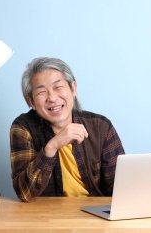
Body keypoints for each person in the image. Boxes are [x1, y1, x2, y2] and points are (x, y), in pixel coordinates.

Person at [10, 57, 125, 202]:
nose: (52, 98)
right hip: (48, 218)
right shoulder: (23, 128)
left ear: (73, 88)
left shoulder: (101, 127)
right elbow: (24, 193)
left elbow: (120, 188)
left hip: (95, 216)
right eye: (41, 92)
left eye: (58, 87)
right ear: (30, 101)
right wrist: (51, 147)